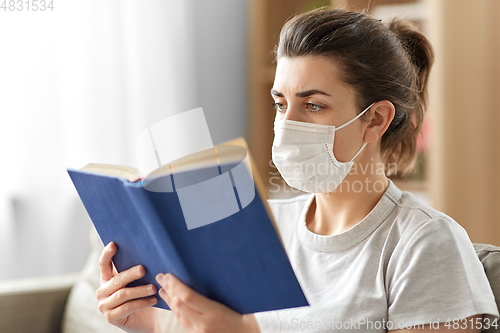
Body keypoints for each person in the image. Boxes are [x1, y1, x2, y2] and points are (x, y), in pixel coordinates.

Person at [95, 8, 499, 333]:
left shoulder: (425, 244)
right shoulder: (263, 224)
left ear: (375, 119)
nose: (288, 124)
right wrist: (149, 325)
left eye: (314, 105)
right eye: (280, 103)